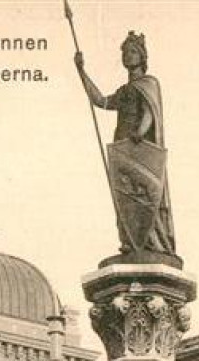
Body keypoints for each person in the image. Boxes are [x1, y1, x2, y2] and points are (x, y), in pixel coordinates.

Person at [75, 32, 176, 257]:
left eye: (131, 52)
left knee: (146, 196)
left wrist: (140, 132)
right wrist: (82, 72)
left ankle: (154, 244)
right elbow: (100, 101)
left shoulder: (149, 83)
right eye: (124, 53)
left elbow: (151, 112)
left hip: (140, 148)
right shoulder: (124, 91)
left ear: (142, 56)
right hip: (123, 147)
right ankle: (131, 242)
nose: (126, 56)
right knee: (127, 198)